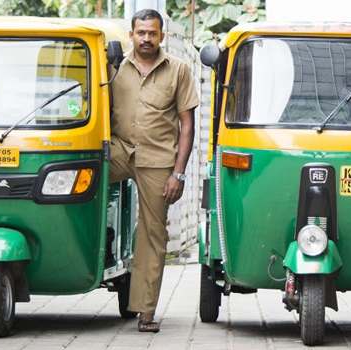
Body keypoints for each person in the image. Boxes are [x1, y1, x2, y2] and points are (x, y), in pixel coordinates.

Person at [109, 9, 199, 333]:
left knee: (152, 231)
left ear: (161, 36)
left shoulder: (179, 70)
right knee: (82, 177)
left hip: (159, 159)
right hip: (120, 149)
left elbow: (187, 126)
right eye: (140, 32)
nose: (146, 38)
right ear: (131, 34)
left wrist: (179, 173)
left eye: (152, 33)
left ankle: (145, 311)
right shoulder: (114, 66)